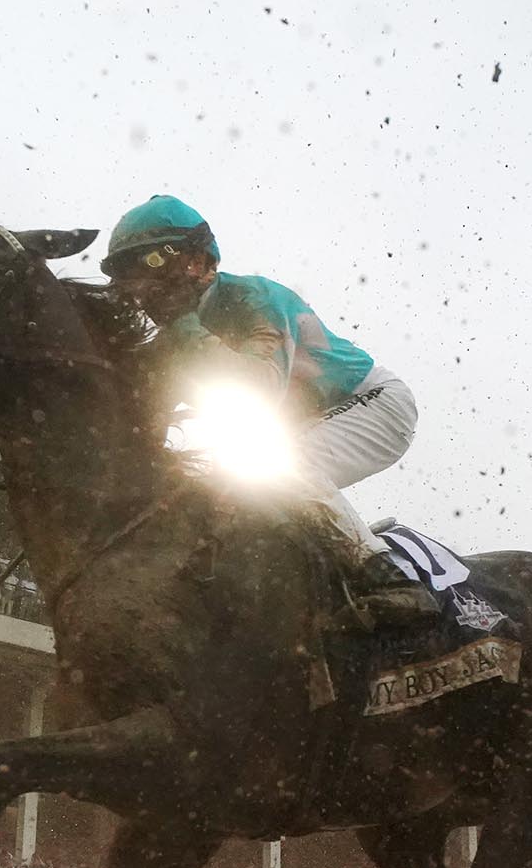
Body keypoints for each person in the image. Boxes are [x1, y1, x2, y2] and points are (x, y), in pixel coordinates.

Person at [101, 195, 437, 627]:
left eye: (148, 267)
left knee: (278, 465)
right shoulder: (170, 340)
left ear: (199, 261)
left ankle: (387, 578)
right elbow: (143, 416)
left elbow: (259, 391)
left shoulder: (255, 298)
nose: (141, 289)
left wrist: (185, 329)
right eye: (130, 277)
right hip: (302, 422)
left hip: (374, 402)